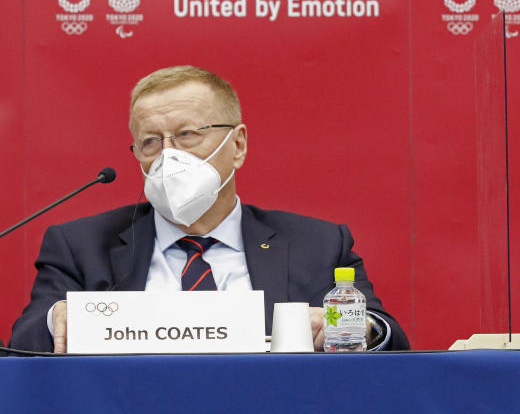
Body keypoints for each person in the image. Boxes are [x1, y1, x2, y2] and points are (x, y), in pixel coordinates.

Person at [9, 66, 408, 353]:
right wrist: (55, 318)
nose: (168, 155)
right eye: (150, 141)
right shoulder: (80, 245)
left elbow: (386, 335)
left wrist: (345, 326)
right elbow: (22, 342)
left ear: (237, 146)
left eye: (187, 135)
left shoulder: (316, 243)